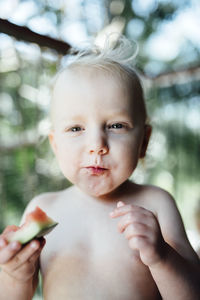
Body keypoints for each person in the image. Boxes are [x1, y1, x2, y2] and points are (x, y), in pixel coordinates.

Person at [0, 36, 200, 300]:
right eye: (76, 128)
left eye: (116, 125)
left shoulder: (156, 203)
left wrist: (162, 257)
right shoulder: (44, 207)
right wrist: (15, 276)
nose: (97, 145)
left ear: (144, 142)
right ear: (55, 145)